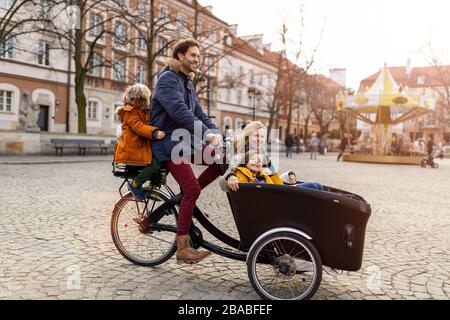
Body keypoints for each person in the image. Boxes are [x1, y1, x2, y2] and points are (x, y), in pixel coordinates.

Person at [151, 39, 224, 264]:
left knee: (222, 160)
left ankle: (186, 201)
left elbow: (200, 115)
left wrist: (218, 134)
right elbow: (180, 112)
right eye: (193, 55)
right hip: (167, 144)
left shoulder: (188, 84)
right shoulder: (167, 80)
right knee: (192, 188)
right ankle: (182, 249)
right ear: (180, 56)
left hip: (183, 142)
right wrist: (206, 134)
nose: (197, 60)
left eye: (198, 56)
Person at [114, 84, 166, 201]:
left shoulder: (142, 112)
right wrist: (154, 133)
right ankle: (135, 184)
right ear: (136, 99)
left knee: (164, 158)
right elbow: (139, 127)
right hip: (132, 151)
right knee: (155, 162)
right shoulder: (130, 112)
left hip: (138, 149)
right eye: (143, 98)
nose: (146, 101)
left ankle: (154, 185)